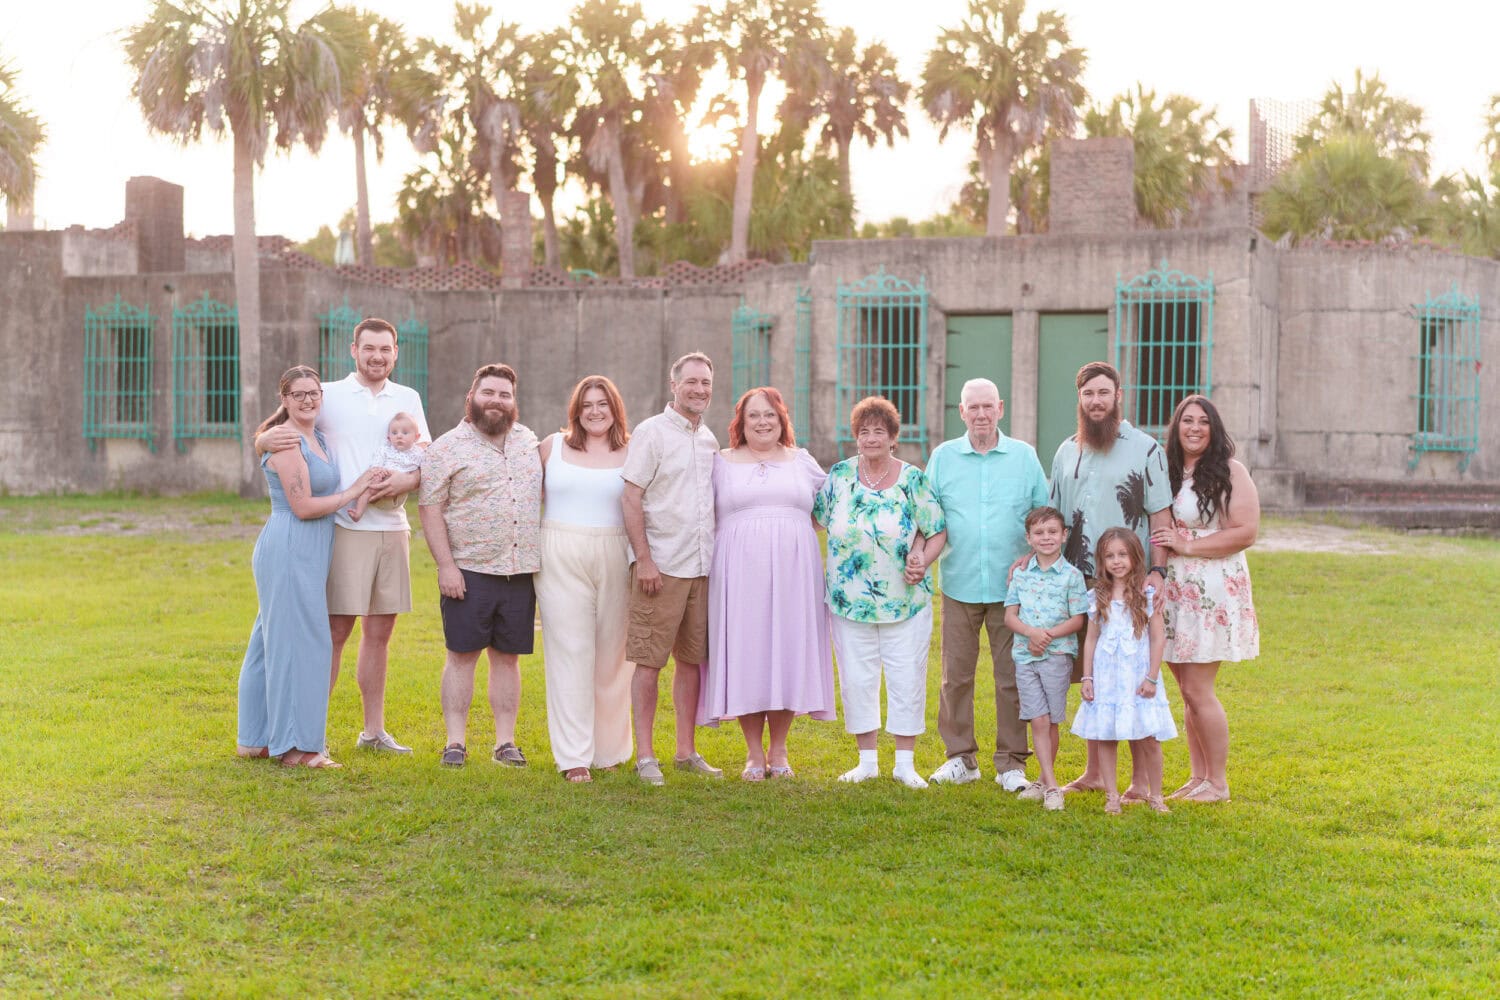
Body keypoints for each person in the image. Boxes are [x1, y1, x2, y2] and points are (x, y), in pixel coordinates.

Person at [258, 317, 430, 755]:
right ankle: (311, 735)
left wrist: (405, 483)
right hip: (344, 529)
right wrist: (260, 443)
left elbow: (424, 459)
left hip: (393, 529)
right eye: (369, 348)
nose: (377, 356)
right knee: (335, 633)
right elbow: (269, 432)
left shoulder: (408, 398)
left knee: (381, 633)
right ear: (353, 349)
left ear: (396, 352)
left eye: (385, 349)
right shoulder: (327, 394)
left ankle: (373, 732)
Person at [237, 366, 375, 769]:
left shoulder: (319, 437)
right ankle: (297, 748)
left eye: (313, 393)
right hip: (291, 543)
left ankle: (256, 739)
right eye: (298, 394)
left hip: (309, 548)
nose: (308, 400)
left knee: (269, 640)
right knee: (301, 644)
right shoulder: (285, 441)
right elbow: (303, 506)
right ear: (283, 399)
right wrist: (353, 490)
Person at [1048, 360, 1173, 799]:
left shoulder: (1146, 449)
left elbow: (1160, 516)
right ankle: (1095, 773)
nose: (1096, 401)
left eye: (1104, 393)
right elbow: (1056, 517)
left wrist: (1157, 570)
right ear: (1079, 400)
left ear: (1118, 396)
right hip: (1080, 584)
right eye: (1088, 394)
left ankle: (1141, 781)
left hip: (1131, 585)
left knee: (1134, 674)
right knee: (1094, 673)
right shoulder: (1067, 450)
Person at [702, 387, 834, 781]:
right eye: (754, 416)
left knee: (786, 652)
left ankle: (779, 749)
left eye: (770, 416)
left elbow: (829, 510)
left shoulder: (802, 461)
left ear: (782, 421)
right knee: (748, 653)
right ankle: (753, 753)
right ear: (740, 423)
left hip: (795, 571)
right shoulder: (720, 463)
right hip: (738, 571)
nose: (762, 422)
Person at [814, 396, 946, 789]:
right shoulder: (838, 476)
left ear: (893, 438)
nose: (871, 438)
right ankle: (867, 761)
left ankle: (905, 763)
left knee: (906, 677)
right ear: (856, 438)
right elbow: (815, 521)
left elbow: (936, 529)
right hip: (848, 600)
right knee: (857, 678)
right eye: (864, 431)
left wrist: (922, 556)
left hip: (904, 599)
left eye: (880, 431)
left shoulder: (913, 479)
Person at [925, 378, 1049, 791]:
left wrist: (1030, 557)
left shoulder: (1024, 457)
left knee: (1011, 676)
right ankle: (960, 757)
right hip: (958, 582)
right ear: (961, 412)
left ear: (1001, 408)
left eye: (987, 407)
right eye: (972, 408)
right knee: (954, 676)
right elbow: (927, 517)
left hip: (1011, 590)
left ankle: (1012, 763)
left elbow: (1042, 515)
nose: (980, 414)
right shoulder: (942, 458)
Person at [418, 364, 542, 768]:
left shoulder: (528, 441)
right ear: (471, 397)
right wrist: (445, 567)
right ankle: (455, 742)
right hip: (468, 571)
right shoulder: (446, 447)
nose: (497, 401)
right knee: (462, 655)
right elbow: (429, 507)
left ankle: (505, 743)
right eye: (489, 393)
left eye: (505, 395)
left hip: (519, 570)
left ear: (513, 401)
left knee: (507, 658)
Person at [1150, 394, 1260, 804]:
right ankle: (1198, 778)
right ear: (1175, 428)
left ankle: (1218, 782)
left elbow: (1246, 530)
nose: (1194, 428)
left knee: (1199, 689)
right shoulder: (1170, 471)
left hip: (1210, 590)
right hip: (1175, 592)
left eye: (1203, 422)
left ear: (1214, 429)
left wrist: (1189, 546)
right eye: (1186, 421)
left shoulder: (1230, 471)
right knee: (1185, 690)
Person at [621, 352, 722, 785]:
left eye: (706, 382)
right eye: (692, 382)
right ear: (673, 384)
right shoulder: (651, 433)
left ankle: (685, 751)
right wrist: (643, 558)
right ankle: (646, 756)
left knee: (691, 662)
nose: (699, 389)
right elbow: (630, 497)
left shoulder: (710, 440)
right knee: (649, 663)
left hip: (702, 568)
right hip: (659, 568)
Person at [535, 376, 634, 783]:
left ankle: (608, 749)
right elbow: (521, 497)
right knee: (570, 652)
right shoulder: (551, 447)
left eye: (603, 404)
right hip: (560, 551)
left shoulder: (633, 451)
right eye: (587, 404)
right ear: (576, 410)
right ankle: (573, 756)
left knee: (614, 656)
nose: (595, 411)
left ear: (615, 409)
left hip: (615, 551)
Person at [1071, 528, 1177, 814]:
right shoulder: (1097, 595)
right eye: (1109, 556)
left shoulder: (1146, 594)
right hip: (1107, 676)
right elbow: (1091, 639)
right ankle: (1112, 796)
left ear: (1135, 556)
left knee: (1148, 737)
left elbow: (1158, 637)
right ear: (1101, 561)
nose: (1116, 561)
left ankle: (1156, 795)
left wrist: (1152, 676)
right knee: (1106, 735)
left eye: (1122, 554)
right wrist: (1088, 677)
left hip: (1138, 676)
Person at [1003, 506, 1089, 811]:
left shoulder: (1072, 576)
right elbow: (1010, 615)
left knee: (1050, 720)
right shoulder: (1021, 574)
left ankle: (1042, 781)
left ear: (1064, 535)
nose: (1046, 537)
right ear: (1028, 538)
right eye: (1039, 533)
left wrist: (1047, 636)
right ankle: (1052, 787)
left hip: (1057, 656)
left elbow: (1078, 619)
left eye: (1053, 531)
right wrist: (1031, 634)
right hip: (1026, 656)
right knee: (1036, 719)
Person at [348, 412, 425, 522]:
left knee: (386, 496)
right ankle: (358, 512)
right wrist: (379, 470)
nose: (399, 435)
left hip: (400, 484)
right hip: (383, 476)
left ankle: (376, 499)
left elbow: (423, 469)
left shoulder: (418, 453)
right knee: (368, 490)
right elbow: (377, 461)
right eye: (394, 433)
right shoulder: (386, 449)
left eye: (405, 432)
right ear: (389, 438)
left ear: (416, 437)